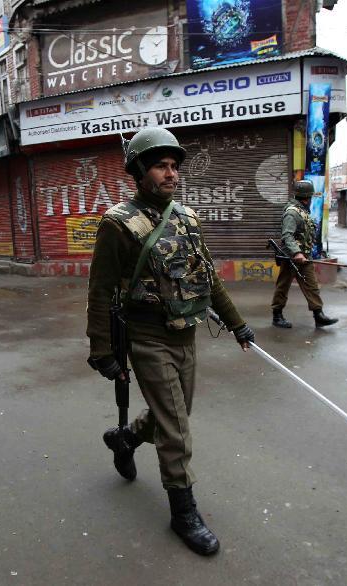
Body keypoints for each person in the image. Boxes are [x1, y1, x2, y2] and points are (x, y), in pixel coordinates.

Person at [86, 127, 255, 557]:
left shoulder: (187, 218)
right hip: (146, 337)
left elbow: (209, 277)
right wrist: (102, 351)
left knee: (175, 415)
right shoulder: (118, 224)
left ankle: (125, 439)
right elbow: (101, 291)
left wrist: (237, 325)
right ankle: (184, 511)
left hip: (187, 335)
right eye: (161, 165)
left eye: (175, 166)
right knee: (177, 431)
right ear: (140, 170)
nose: (171, 173)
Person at [271, 180, 339, 329]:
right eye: (311, 197)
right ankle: (277, 315)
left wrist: (303, 254)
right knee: (283, 286)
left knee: (311, 285)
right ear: (307, 197)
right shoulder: (292, 213)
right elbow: (287, 236)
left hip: (304, 257)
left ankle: (318, 315)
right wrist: (297, 252)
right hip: (291, 258)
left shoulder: (302, 210)